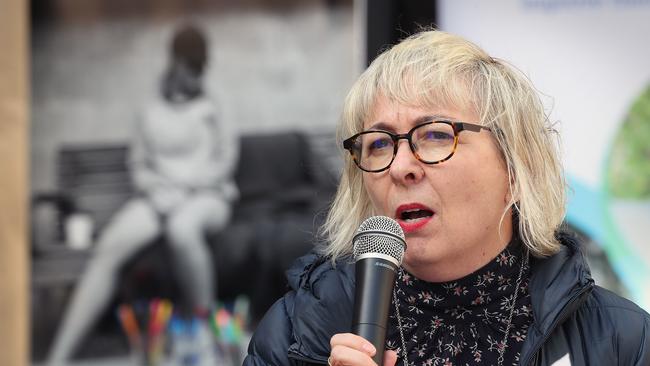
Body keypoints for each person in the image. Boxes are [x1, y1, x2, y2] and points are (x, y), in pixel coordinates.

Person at [243, 30, 650, 366]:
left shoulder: (621, 340)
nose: (401, 166)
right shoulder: (297, 333)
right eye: (380, 144)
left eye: (436, 135)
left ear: (514, 167)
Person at [47, 24, 239, 364]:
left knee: (182, 229)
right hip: (158, 196)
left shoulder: (216, 100)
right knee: (109, 247)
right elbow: (137, 163)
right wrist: (156, 189)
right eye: (190, 69)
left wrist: (185, 190)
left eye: (201, 70)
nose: (196, 78)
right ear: (175, 62)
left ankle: (208, 341)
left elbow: (225, 161)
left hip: (208, 195)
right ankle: (58, 356)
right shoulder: (149, 104)